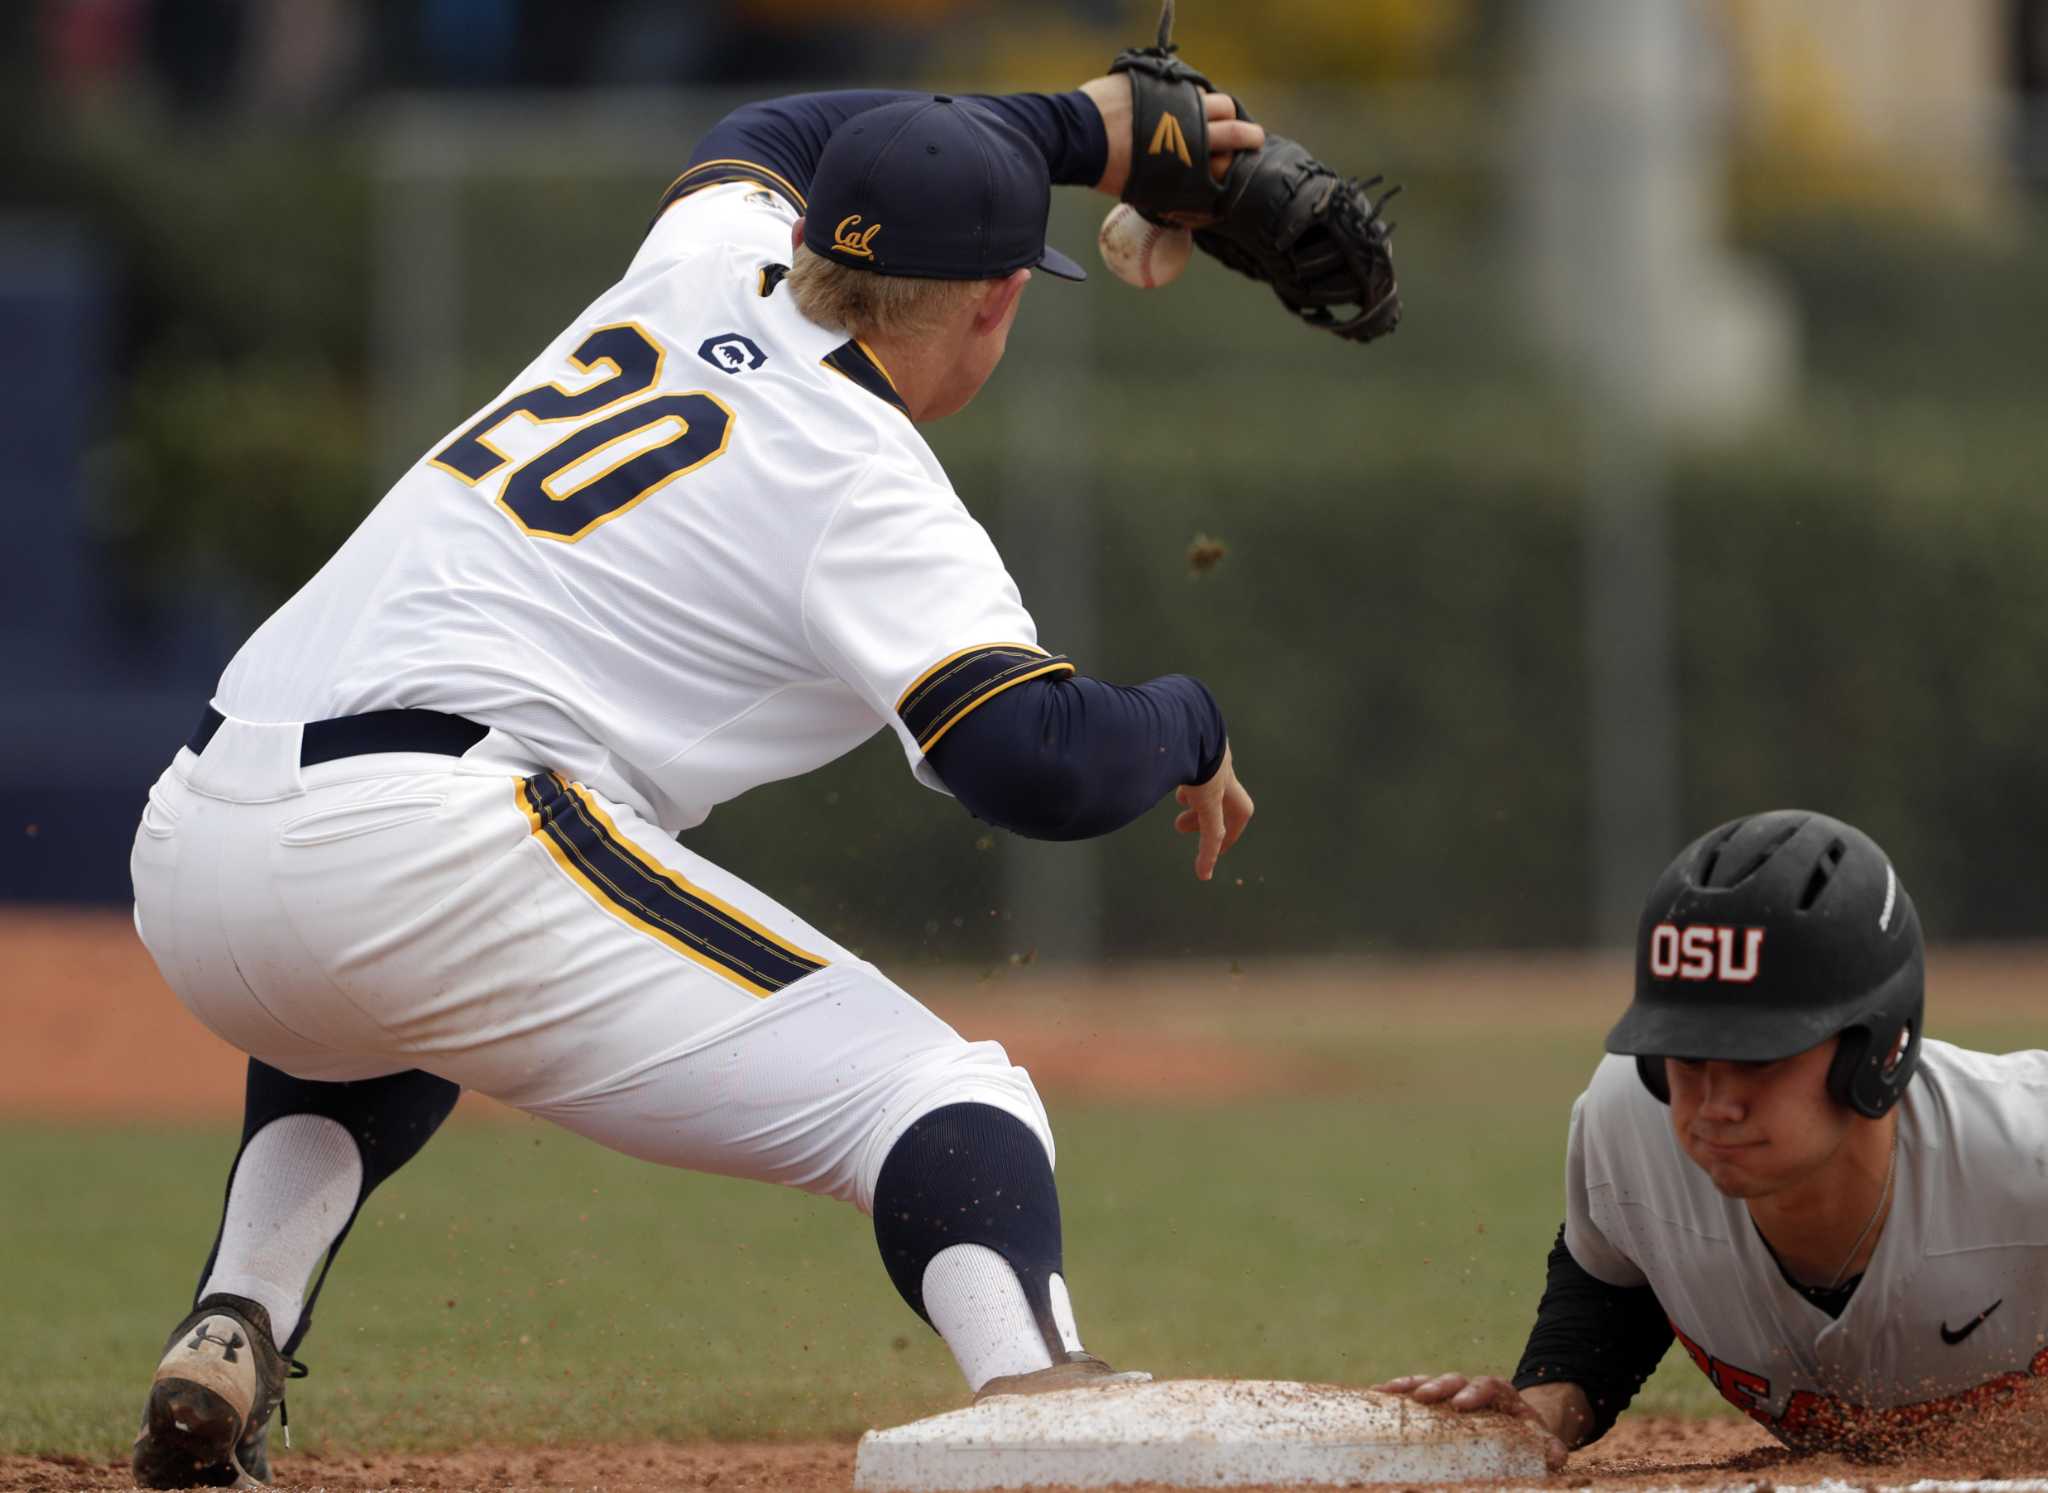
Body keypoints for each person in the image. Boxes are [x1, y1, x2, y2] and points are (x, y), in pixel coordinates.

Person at [125, 73, 1267, 1488]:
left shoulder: (705, 262)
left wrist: (1080, 124)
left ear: (821, 244)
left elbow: (772, 130)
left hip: (198, 831)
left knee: (374, 1013)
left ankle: (236, 1317)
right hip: (433, 837)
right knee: (935, 1095)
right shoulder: (867, 475)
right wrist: (1189, 717)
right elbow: (1031, 762)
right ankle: (1042, 1397)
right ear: (996, 304)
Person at [1377, 810, 2048, 1464]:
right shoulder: (1632, 1123)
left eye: (1759, 1057)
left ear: (1878, 1048)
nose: (1715, 1104)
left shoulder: (2025, 1154)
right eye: (1687, 1055)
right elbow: (1613, 1284)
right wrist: (1544, 1405)